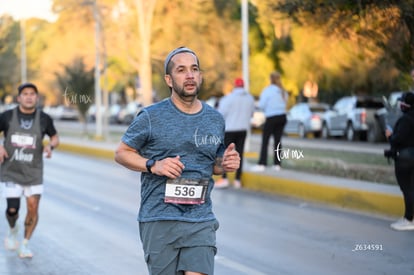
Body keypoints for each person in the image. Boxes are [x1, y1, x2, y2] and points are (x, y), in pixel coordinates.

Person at [114, 46, 240, 275]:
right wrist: (155, 165)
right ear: (169, 79)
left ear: (200, 76)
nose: (189, 75)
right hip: (160, 217)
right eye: (181, 70)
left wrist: (226, 164)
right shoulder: (151, 116)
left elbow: (212, 164)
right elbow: (122, 153)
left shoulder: (214, 119)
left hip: (200, 218)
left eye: (194, 69)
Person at [0, 82, 59, 258]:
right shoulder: (7, 116)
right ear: (19, 98)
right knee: (12, 210)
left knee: (33, 209)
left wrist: (50, 146)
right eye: (25, 94)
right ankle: (12, 229)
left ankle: (24, 244)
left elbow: (54, 137)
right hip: (11, 170)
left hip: (33, 172)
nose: (28, 96)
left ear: (36, 97)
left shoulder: (44, 119)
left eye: (32, 94)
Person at [214, 78, 255, 189]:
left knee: (225, 153)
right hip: (243, 129)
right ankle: (237, 180)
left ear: (235, 86)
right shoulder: (250, 99)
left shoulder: (228, 98)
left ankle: (224, 178)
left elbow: (220, 114)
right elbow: (252, 113)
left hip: (230, 129)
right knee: (240, 154)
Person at [385, 91, 414, 231]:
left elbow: (398, 139)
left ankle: (409, 219)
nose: (400, 104)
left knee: (407, 189)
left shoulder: (405, 120)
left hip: (405, 158)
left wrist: (390, 136)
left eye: (402, 102)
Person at [252, 71, 288, 172]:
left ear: (270, 79)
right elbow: (285, 103)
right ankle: (277, 164)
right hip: (282, 117)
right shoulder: (283, 91)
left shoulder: (267, 91)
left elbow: (262, 105)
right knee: (278, 141)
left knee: (265, 140)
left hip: (271, 117)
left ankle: (262, 163)